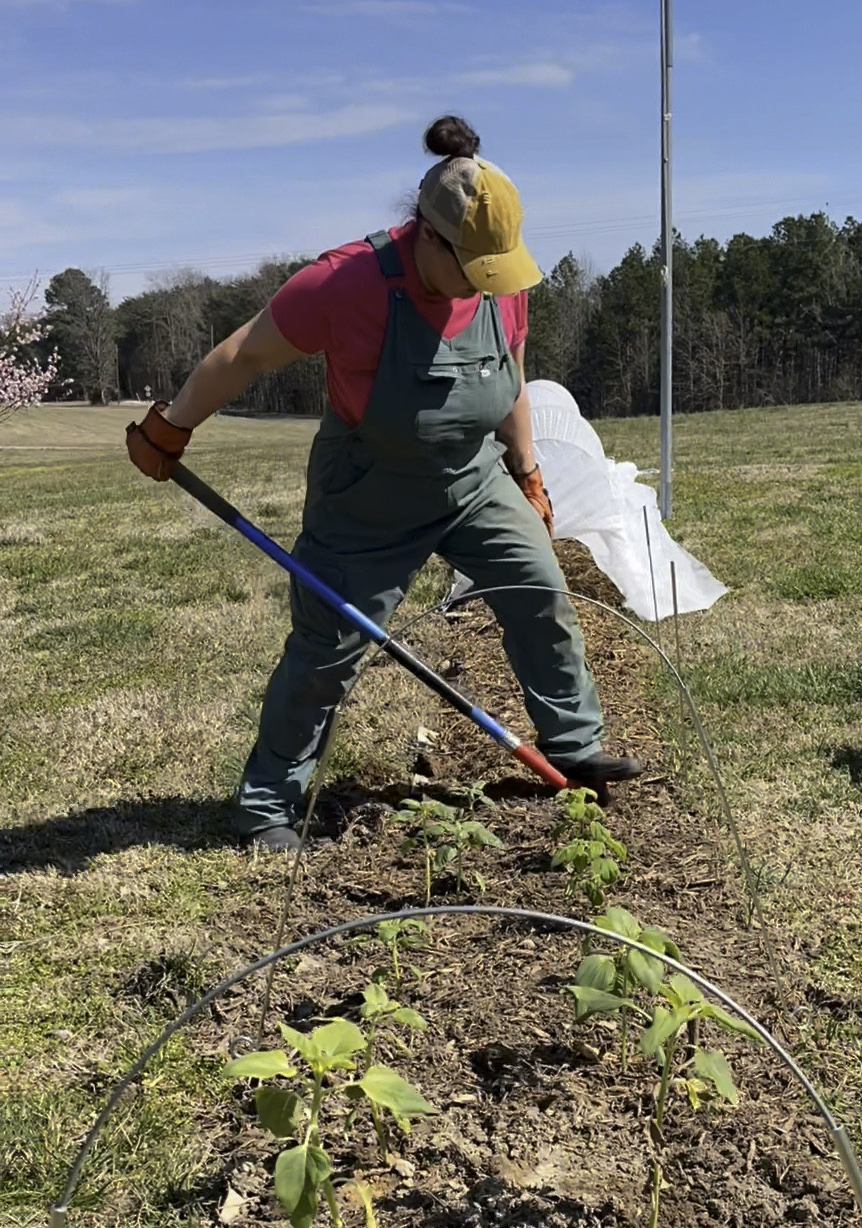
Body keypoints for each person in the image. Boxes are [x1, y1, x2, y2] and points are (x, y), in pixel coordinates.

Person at [126, 116, 642, 851]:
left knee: (539, 593)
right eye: (471, 267)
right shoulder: (346, 283)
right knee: (327, 649)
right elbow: (242, 354)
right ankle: (268, 807)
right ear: (426, 237)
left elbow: (511, 376)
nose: (485, 283)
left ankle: (573, 746)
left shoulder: (501, 279)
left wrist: (527, 470)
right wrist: (171, 428)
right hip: (369, 489)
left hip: (472, 477)